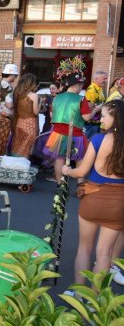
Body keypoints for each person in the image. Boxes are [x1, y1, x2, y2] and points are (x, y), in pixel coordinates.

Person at [61, 101, 124, 290]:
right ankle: (94, 299)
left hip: (93, 199)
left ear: (116, 118)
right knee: (105, 253)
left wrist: (67, 170)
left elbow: (81, 172)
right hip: (118, 203)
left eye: (104, 116)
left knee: (84, 248)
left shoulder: (98, 140)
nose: (101, 119)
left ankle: (79, 294)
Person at [43, 56, 98, 182]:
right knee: (79, 158)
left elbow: (53, 115)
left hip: (57, 134)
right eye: (82, 85)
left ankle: (59, 184)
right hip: (75, 134)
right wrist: (96, 109)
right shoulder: (81, 99)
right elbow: (87, 118)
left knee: (59, 159)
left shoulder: (57, 97)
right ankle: (80, 184)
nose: (81, 88)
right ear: (78, 85)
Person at [11, 73, 39, 158]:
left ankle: (14, 163)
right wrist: (40, 103)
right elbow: (36, 112)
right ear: (31, 83)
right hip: (30, 123)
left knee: (17, 145)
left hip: (19, 122)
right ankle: (23, 165)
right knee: (27, 146)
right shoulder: (34, 96)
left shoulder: (17, 94)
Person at [84, 71, 107, 138]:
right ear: (96, 79)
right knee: (90, 142)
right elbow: (89, 108)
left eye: (106, 79)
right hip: (91, 124)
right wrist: (99, 108)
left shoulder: (100, 88)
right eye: (104, 79)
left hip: (97, 123)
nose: (105, 81)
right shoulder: (91, 90)